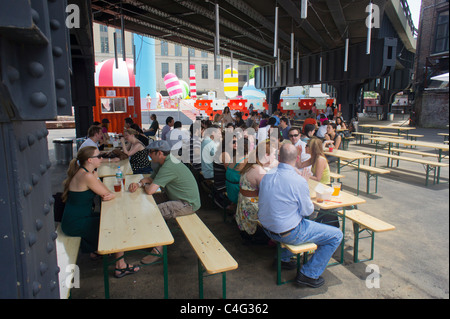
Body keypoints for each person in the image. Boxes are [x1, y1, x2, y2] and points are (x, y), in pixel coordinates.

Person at [258, 143, 343, 288]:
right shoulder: (298, 181)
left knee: (289, 218)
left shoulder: (267, 175)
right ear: (297, 158)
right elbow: (308, 211)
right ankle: (309, 274)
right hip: (287, 233)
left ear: (279, 157)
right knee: (336, 235)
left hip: (266, 228)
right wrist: (303, 184)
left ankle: (283, 258)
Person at [61, 146, 140, 278]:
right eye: (98, 156)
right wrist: (109, 193)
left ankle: (95, 251)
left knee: (107, 218)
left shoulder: (86, 172)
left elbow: (105, 192)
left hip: (76, 218)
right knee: (116, 225)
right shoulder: (87, 175)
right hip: (75, 223)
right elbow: (106, 193)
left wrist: (99, 181)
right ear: (90, 160)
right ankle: (120, 266)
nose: (101, 159)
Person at [128, 140, 200, 264]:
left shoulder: (169, 165)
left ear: (159, 153)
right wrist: (139, 183)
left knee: (153, 213)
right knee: (147, 202)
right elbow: (150, 178)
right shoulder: (166, 161)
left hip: (187, 204)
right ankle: (154, 235)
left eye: (150, 152)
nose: (148, 154)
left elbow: (150, 190)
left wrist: (144, 186)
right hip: (176, 197)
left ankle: (158, 251)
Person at [235, 140, 277, 244]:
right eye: (274, 154)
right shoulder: (260, 171)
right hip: (252, 208)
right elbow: (269, 193)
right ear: (266, 155)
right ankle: (275, 239)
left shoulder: (252, 164)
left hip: (243, 204)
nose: (275, 157)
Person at [224, 136, 249, 205]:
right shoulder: (245, 161)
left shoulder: (233, 157)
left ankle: (233, 206)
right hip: (236, 193)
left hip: (229, 190)